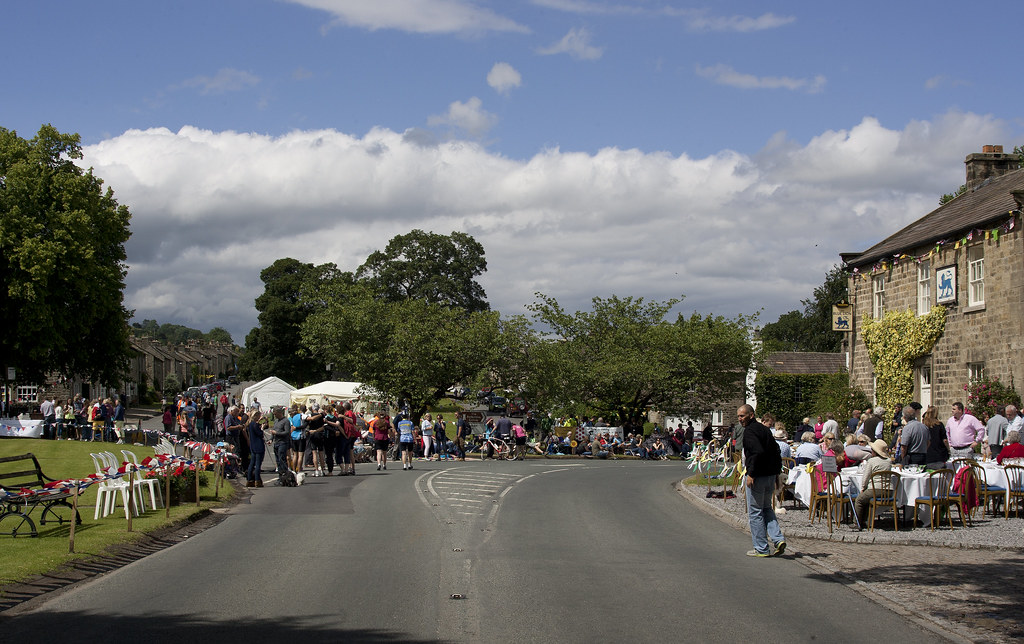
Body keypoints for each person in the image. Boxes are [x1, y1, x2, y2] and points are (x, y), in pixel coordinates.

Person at [738, 404, 785, 557]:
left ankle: (761, 548)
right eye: (739, 416)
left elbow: (756, 452)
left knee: (755, 512)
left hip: (758, 475)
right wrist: (776, 472)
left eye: (743, 416)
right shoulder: (765, 430)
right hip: (770, 475)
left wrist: (751, 473)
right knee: (766, 508)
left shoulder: (750, 431)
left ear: (751, 415)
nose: (740, 419)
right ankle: (778, 539)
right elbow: (775, 451)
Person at [853, 439, 893, 529]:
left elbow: (866, 476)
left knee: (859, 500)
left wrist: (863, 488)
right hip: (888, 490)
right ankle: (864, 521)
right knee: (866, 500)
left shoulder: (872, 461)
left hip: (876, 489)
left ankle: (857, 523)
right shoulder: (889, 461)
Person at [922, 405, 950, 470]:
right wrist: (948, 449)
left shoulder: (923, 425)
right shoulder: (939, 425)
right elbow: (945, 440)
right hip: (939, 453)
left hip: (927, 453)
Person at [268, 406, 292, 477]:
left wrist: (276, 433)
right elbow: (273, 431)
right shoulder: (276, 421)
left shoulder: (286, 421)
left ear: (279, 413)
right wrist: (271, 439)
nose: (274, 416)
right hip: (276, 443)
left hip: (283, 442)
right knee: (278, 461)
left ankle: (285, 476)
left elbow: (287, 432)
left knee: (282, 460)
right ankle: (280, 476)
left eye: (275, 414)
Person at [245, 409, 265, 487]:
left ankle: (249, 479)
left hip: (253, 446)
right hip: (258, 445)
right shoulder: (255, 425)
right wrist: (262, 428)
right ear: (256, 416)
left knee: (252, 463)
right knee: (258, 464)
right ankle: (257, 480)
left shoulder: (250, 424)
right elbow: (260, 434)